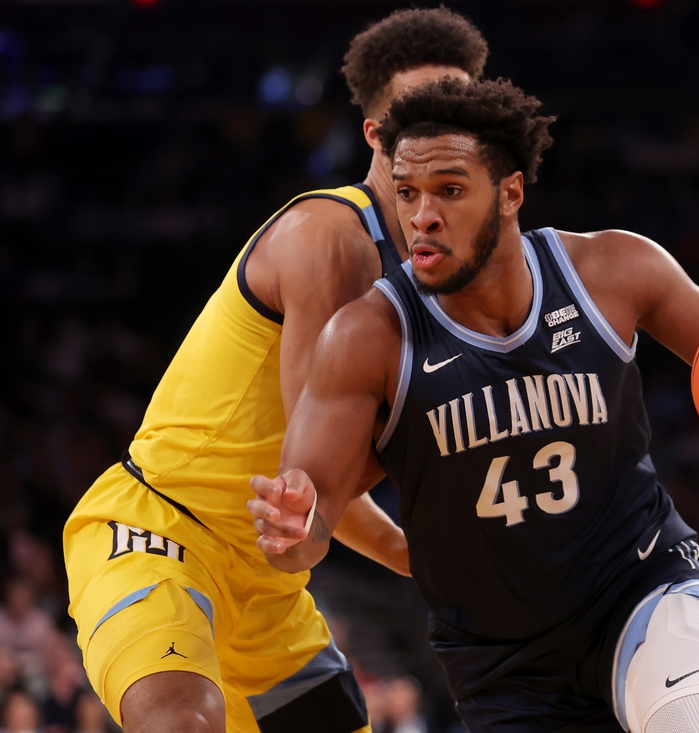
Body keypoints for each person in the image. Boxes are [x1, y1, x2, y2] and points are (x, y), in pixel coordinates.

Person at [248, 77, 699, 732]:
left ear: (510, 192)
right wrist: (290, 531)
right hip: (502, 663)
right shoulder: (366, 336)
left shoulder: (610, 271)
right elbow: (307, 526)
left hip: (645, 591)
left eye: (449, 190)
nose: (421, 216)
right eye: (406, 193)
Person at [61, 9, 490, 733]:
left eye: (459, 108)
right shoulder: (329, 237)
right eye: (419, 113)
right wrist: (426, 555)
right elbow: (308, 470)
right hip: (163, 530)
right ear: (375, 135)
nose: (442, 128)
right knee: (183, 722)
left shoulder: (454, 274)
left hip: (264, 585)